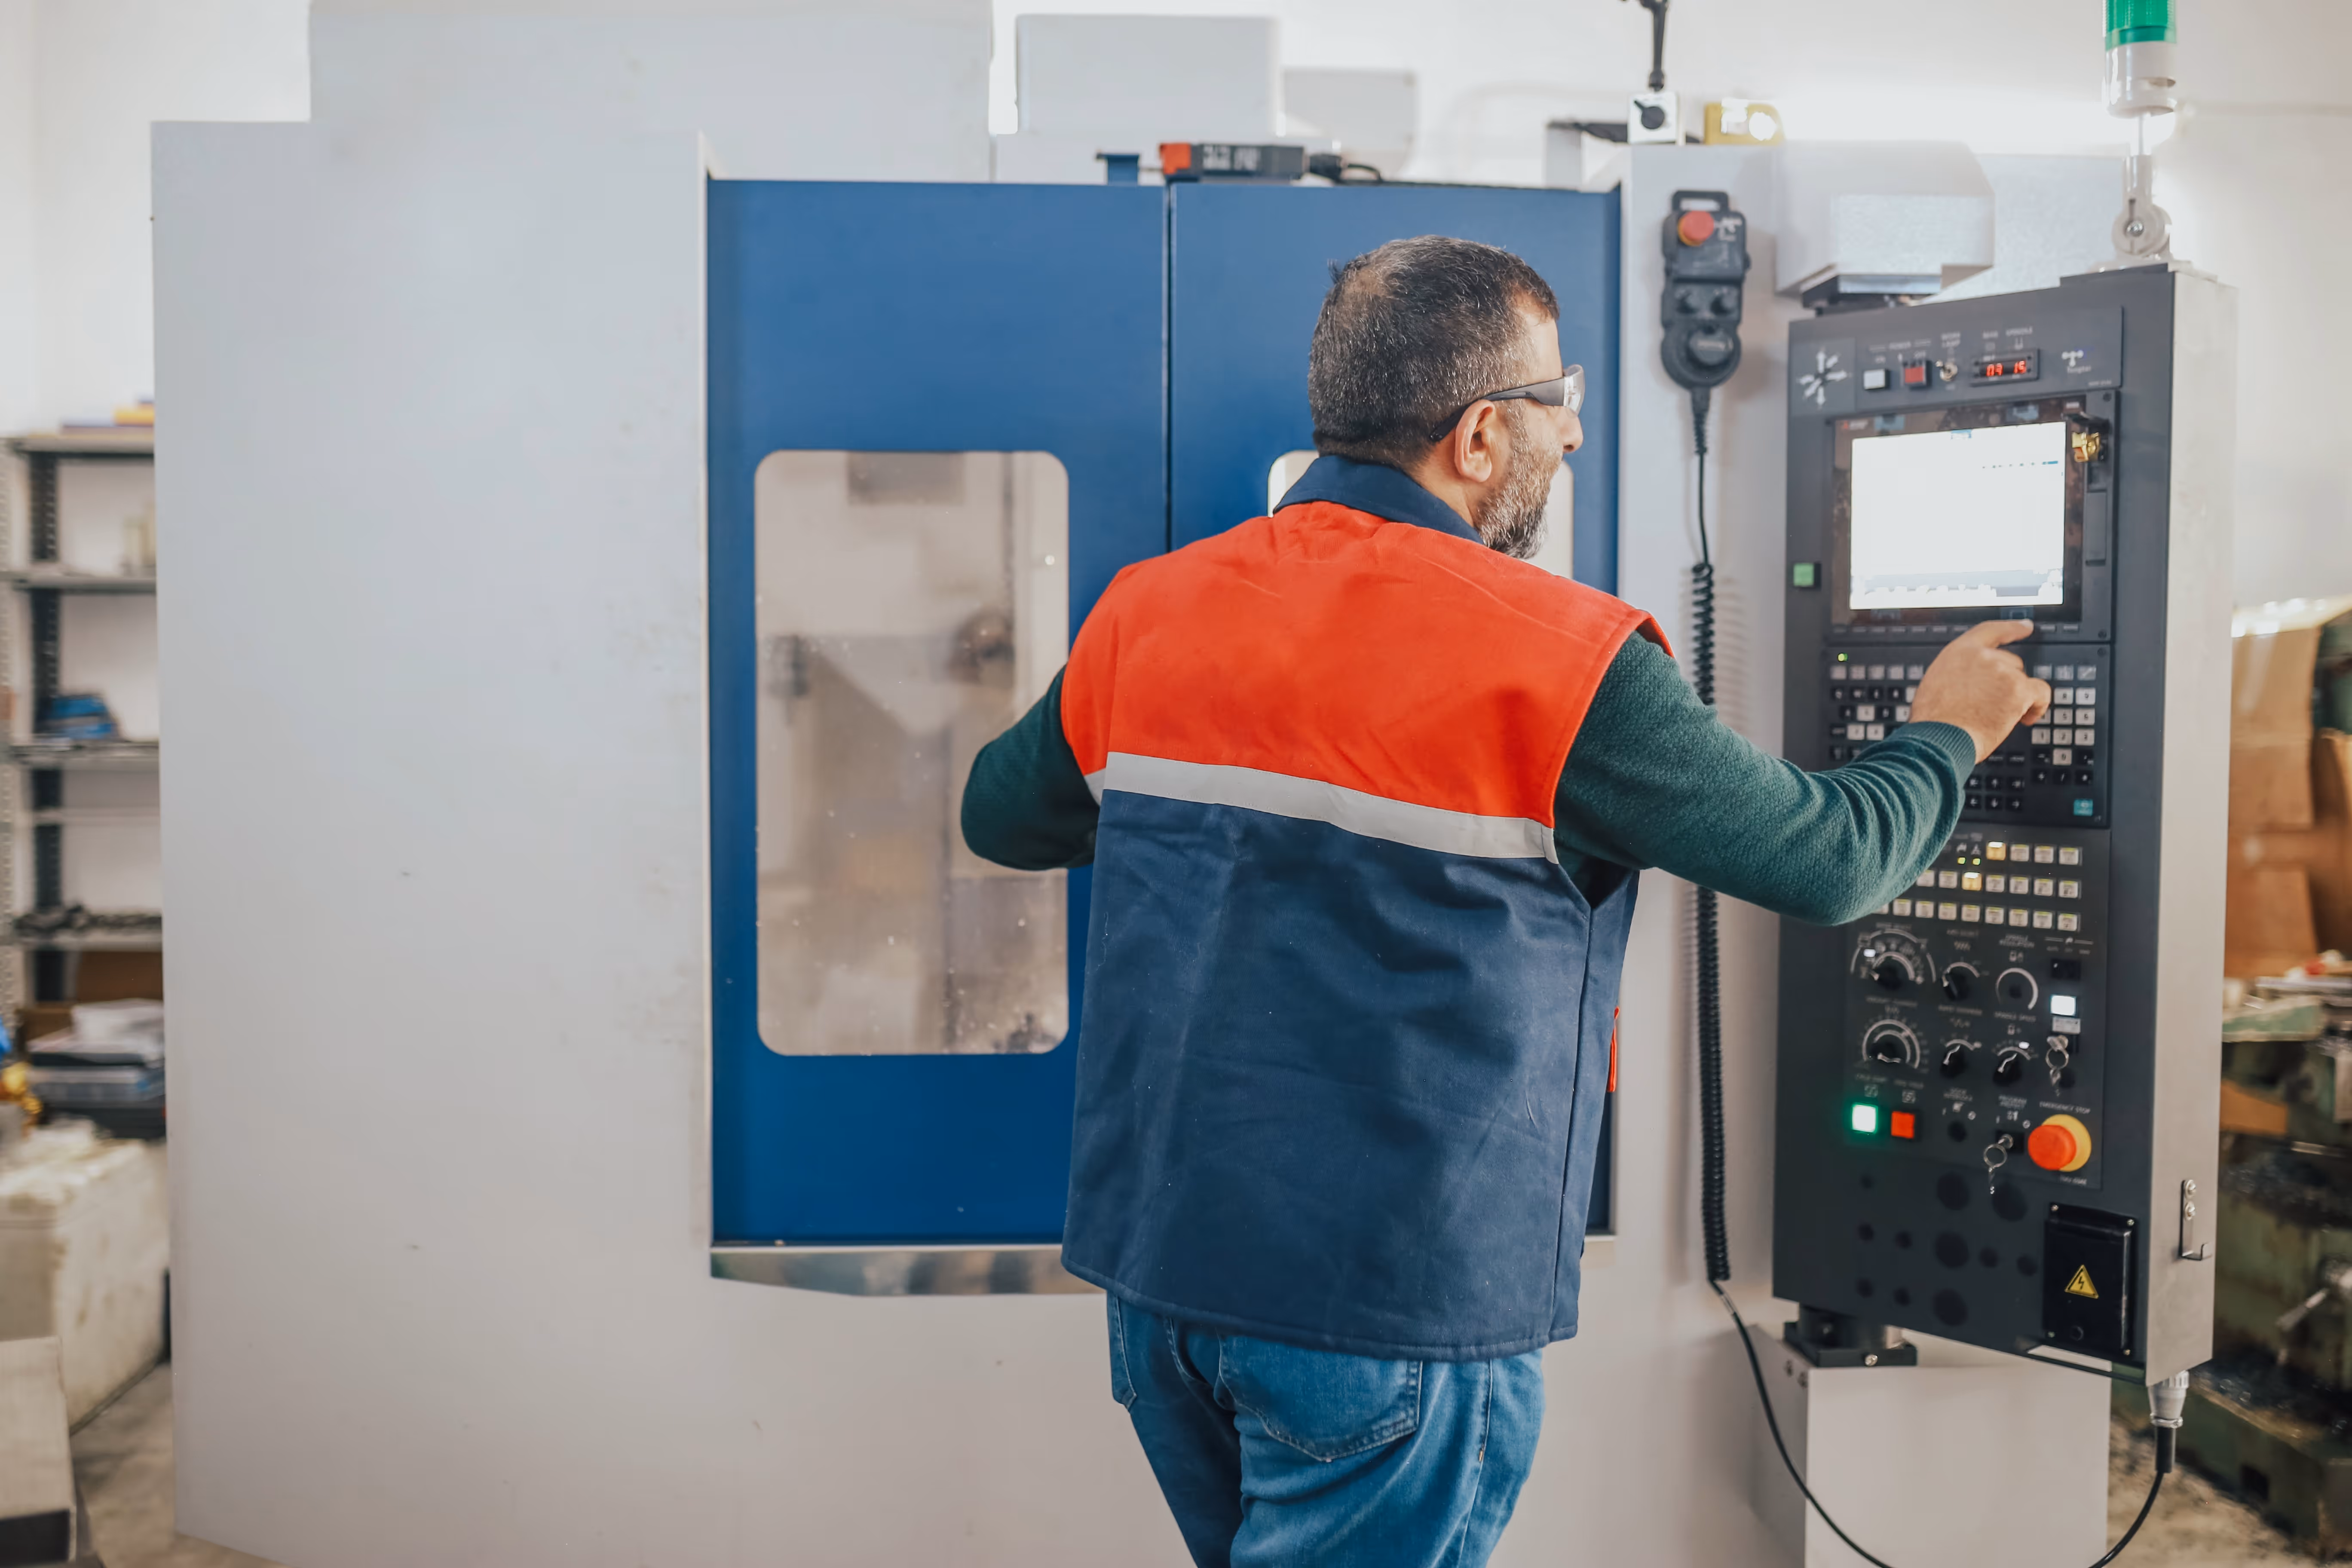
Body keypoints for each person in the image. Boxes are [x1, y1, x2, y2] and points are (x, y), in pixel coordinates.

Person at [959, 236, 2049, 1568]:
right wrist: (1949, 732)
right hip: (1383, 1311)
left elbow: (1001, 817)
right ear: (1480, 435)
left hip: (1164, 1288)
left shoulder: (1152, 613)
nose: (1574, 431)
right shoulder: (1565, 663)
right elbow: (1832, 861)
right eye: (1558, 397)